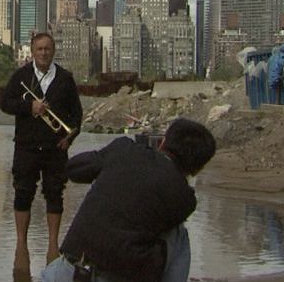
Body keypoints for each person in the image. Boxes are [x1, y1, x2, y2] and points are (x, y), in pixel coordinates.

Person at [41, 118, 216, 282]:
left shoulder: (123, 149)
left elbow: (74, 169)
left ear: (162, 142)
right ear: (197, 169)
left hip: (71, 270)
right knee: (178, 233)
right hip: (118, 276)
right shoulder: (185, 199)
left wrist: (110, 166)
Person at [0, 32, 83, 274]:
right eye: (39, 49)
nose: (44, 53)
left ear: (53, 51)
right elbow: (5, 103)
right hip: (26, 146)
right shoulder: (21, 76)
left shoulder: (66, 79)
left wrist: (70, 137)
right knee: (22, 192)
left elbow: (76, 116)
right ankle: (21, 246)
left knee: (55, 194)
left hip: (55, 148)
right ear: (32, 51)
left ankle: (52, 246)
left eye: (47, 49)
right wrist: (30, 106)